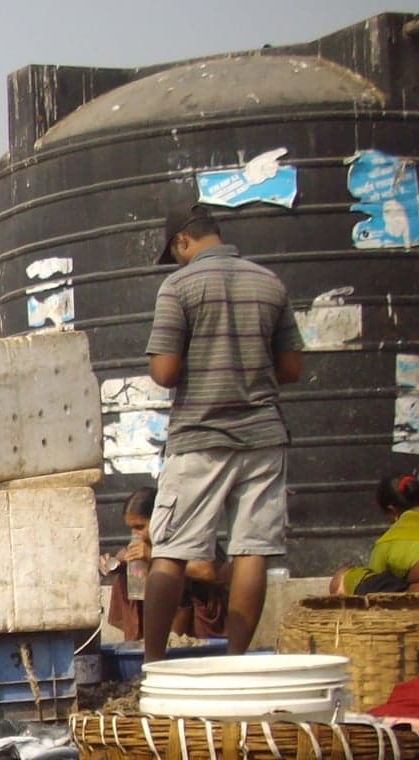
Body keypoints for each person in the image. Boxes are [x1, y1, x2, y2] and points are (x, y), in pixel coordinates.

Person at [139, 203, 302, 661]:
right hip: (263, 437)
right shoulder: (269, 283)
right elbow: (291, 367)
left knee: (170, 550)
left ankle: (153, 664)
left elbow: (165, 372)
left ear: (181, 242)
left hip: (199, 439)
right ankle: (235, 662)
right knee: (252, 551)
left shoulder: (179, 287)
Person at [103, 486, 229, 642]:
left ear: (159, 519)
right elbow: (127, 552)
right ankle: (146, 640)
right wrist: (114, 562)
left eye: (140, 527)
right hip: (167, 602)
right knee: (125, 578)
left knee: (171, 577)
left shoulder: (188, 530)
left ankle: (173, 642)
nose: (135, 534)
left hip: (205, 606)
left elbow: (207, 572)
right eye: (131, 529)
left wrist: (154, 556)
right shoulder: (145, 537)